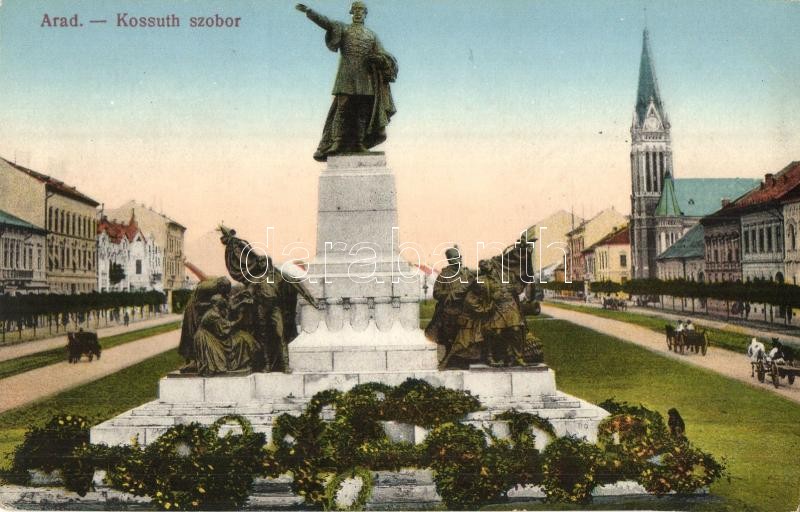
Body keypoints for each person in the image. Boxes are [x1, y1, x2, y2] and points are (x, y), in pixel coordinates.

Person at [296, 2, 397, 161]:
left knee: (362, 112)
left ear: (365, 14)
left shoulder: (372, 35)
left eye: (361, 11)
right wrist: (310, 12)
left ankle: (359, 143)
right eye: (355, 11)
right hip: (346, 76)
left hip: (365, 78)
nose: (358, 13)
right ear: (351, 13)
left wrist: (379, 59)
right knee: (342, 109)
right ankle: (337, 142)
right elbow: (326, 22)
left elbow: (383, 55)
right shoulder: (343, 28)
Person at [425, 247, 474, 361]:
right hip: (449, 311)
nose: (459, 259)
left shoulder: (466, 273)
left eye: (460, 257)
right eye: (456, 257)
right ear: (450, 260)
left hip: (465, 310)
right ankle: (450, 357)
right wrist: (450, 294)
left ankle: (463, 357)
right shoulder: (443, 275)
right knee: (450, 337)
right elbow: (436, 293)